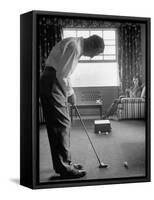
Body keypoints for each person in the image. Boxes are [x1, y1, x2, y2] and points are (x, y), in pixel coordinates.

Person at [40, 35, 105, 179]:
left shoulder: (76, 45)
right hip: (52, 81)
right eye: (96, 53)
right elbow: (62, 75)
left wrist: (70, 93)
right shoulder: (75, 48)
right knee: (61, 124)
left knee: (61, 124)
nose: (93, 57)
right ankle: (65, 168)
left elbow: (64, 74)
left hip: (52, 80)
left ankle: (64, 164)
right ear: (92, 46)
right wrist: (70, 94)